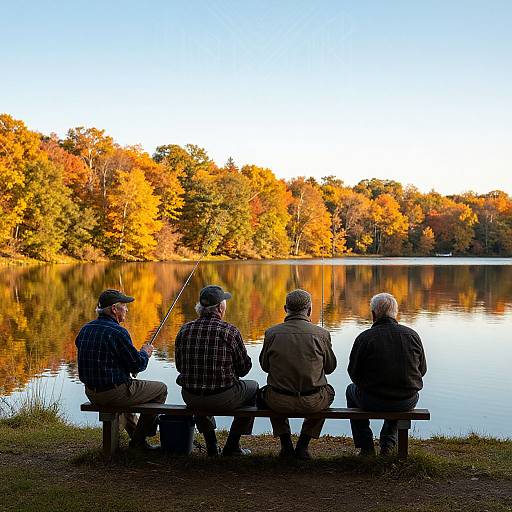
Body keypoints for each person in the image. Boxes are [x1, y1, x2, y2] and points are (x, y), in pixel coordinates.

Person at [76, 289, 167, 450]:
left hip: (91, 392)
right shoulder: (118, 332)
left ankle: (138, 442)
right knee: (161, 389)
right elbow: (137, 365)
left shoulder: (85, 329)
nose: (127, 309)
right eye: (124, 306)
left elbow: (104, 357)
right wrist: (145, 353)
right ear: (114, 309)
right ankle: (143, 435)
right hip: (111, 393)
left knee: (126, 392)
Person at [175, 285, 258, 456]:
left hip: (190, 396)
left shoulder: (184, 330)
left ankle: (212, 445)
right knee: (254, 387)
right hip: (222, 397)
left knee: (199, 387)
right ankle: (232, 445)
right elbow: (244, 370)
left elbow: (180, 367)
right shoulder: (230, 331)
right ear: (220, 307)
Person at [346, 292, 427, 456]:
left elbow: (353, 373)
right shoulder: (412, 335)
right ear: (395, 313)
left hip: (372, 400)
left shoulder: (365, 338)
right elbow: (422, 370)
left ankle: (366, 446)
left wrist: (369, 385)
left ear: (373, 314)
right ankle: (387, 445)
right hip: (406, 400)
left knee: (350, 390)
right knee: (398, 390)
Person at [259, 289, 337, 459]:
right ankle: (303, 445)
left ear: (285, 308)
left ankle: (286, 444)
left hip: (278, 401)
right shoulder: (321, 334)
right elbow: (330, 368)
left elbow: (265, 366)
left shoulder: (271, 333)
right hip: (313, 401)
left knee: (266, 392)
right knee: (329, 392)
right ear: (309, 310)